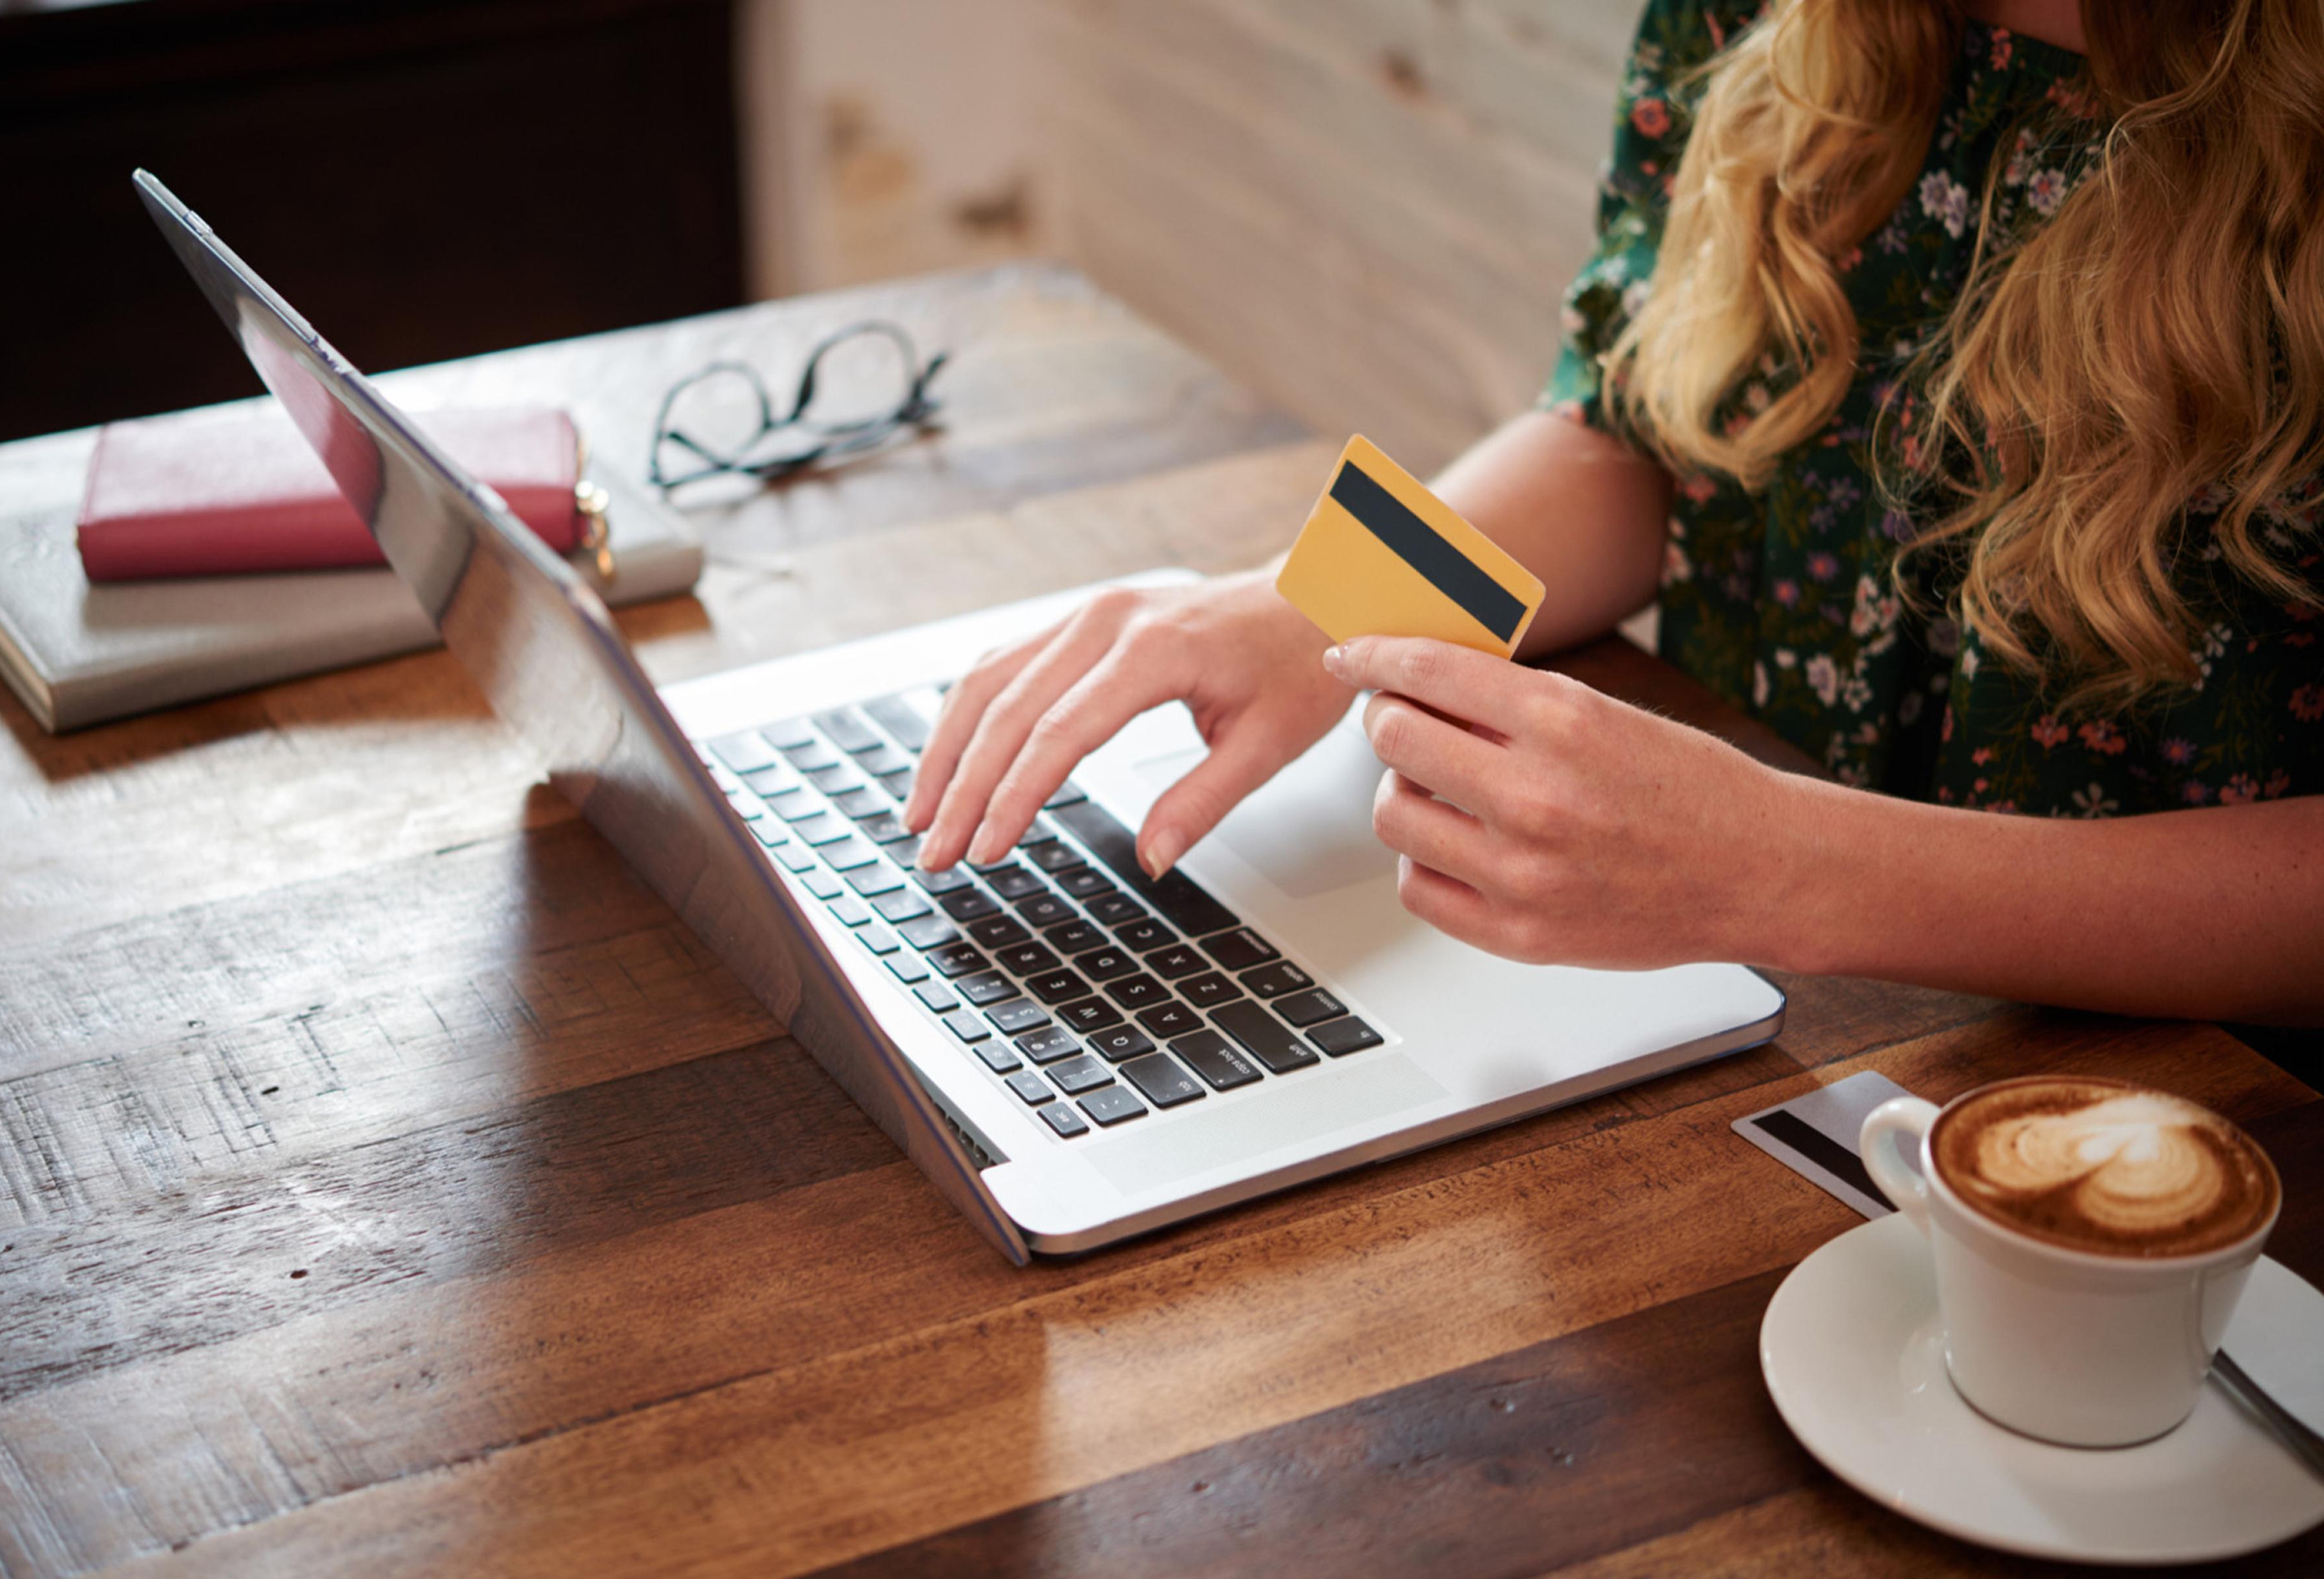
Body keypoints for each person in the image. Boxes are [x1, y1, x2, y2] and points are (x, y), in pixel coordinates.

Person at [902, 0, 2324, 1025]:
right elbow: (1648, 439)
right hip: (1770, 997)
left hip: (2191, 1118)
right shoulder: (1769, 23)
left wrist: (1792, 869)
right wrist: (1318, 606)